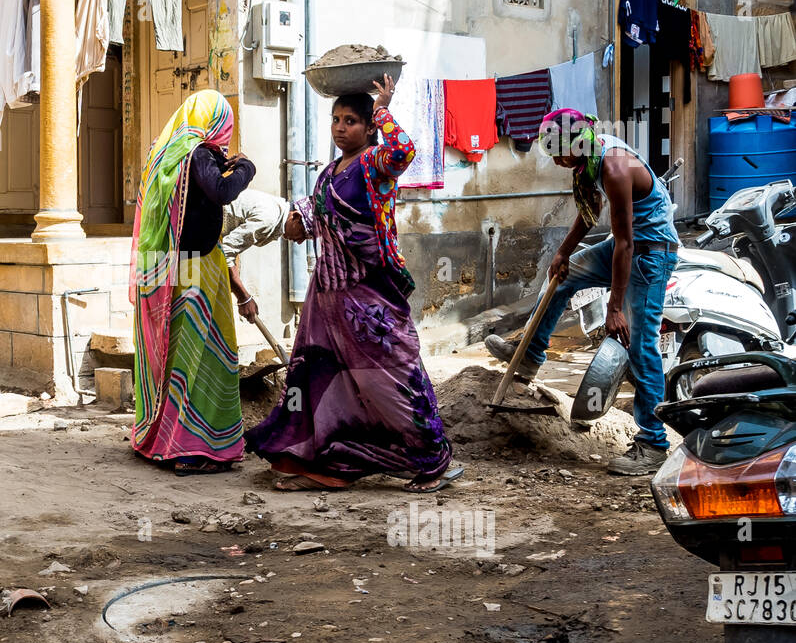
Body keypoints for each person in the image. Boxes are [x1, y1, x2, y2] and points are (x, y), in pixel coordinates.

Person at [246, 78, 462, 493]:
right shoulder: (330, 171)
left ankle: (433, 460)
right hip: (327, 298)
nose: (340, 128)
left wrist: (383, 107)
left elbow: (405, 151)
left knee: (388, 376)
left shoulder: (375, 165)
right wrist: (297, 223)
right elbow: (316, 215)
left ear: (368, 128)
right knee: (318, 377)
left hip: (369, 298)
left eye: (351, 121)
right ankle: (324, 456)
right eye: (336, 120)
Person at [484, 109, 679, 475]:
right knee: (564, 276)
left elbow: (625, 244)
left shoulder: (614, 168)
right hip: (629, 247)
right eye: (552, 154)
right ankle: (530, 354)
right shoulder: (588, 161)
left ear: (578, 142)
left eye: (560, 153)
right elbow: (592, 212)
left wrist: (615, 308)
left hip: (651, 254)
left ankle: (653, 444)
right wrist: (563, 251)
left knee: (640, 344)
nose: (557, 161)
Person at [132, 89, 255, 476]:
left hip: (171, 264)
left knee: (175, 351)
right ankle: (189, 446)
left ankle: (159, 436)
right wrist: (246, 168)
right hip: (197, 268)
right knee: (200, 355)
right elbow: (219, 191)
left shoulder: (163, 151)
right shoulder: (195, 152)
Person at [221, 189, 290, 322]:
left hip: (195, 238)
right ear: (296, 217)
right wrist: (244, 297)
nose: (300, 241)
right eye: (304, 233)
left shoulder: (273, 210)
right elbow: (226, 251)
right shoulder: (269, 219)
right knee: (187, 293)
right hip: (191, 238)